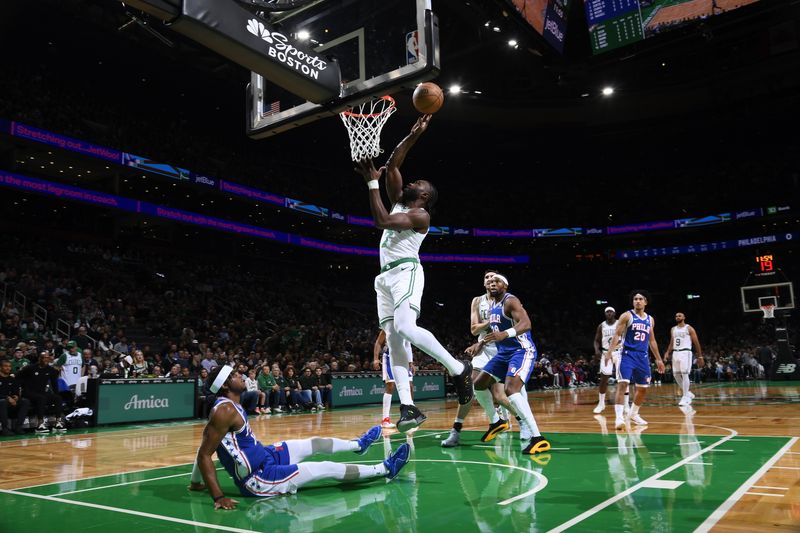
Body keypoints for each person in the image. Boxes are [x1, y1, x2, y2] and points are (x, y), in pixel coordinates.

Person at [354, 114, 473, 432]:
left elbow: (380, 221)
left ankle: (457, 367)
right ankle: (408, 407)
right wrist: (413, 133)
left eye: (416, 185)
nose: (409, 183)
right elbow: (392, 165)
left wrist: (371, 183)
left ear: (424, 196)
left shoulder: (420, 215)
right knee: (393, 340)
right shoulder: (399, 201)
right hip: (384, 278)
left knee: (406, 328)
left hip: (406, 271)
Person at [188, 365, 410, 508]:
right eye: (235, 375)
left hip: (265, 457)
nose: (241, 375)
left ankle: (358, 445)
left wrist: (195, 483)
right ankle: (385, 469)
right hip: (259, 478)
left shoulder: (231, 405)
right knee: (324, 468)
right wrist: (218, 497)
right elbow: (205, 453)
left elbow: (203, 447)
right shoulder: (223, 410)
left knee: (312, 443)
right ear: (226, 385)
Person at [472, 274, 550, 455]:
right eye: (490, 282)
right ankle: (496, 421)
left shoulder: (511, 300)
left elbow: (526, 324)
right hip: (503, 354)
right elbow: (493, 331)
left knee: (511, 390)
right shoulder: (492, 306)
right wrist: (480, 343)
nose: (492, 283)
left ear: (505, 286)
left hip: (521, 351)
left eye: (497, 281)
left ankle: (538, 438)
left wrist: (506, 334)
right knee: (479, 384)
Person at [442, 270, 514, 448]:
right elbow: (474, 330)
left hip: (503, 349)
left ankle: (524, 423)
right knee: (471, 385)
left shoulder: (508, 300)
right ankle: (457, 430)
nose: (490, 279)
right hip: (483, 347)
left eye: (493, 277)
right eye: (487, 277)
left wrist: (489, 330)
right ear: (484, 283)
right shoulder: (477, 301)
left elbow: (506, 329)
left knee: (502, 395)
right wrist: (491, 322)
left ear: (501, 283)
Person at [607, 290, 666, 430]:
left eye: (640, 299)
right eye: (635, 299)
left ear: (645, 302)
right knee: (623, 385)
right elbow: (617, 335)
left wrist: (659, 359)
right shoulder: (627, 316)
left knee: (643, 389)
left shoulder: (650, 319)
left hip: (643, 357)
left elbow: (652, 340)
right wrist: (609, 352)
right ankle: (619, 418)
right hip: (627, 355)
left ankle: (634, 414)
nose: (637, 301)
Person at [592, 307, 630, 415]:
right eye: (607, 312)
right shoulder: (601, 326)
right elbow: (596, 340)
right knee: (604, 378)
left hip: (619, 352)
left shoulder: (620, 323)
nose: (609, 313)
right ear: (605, 314)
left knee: (623, 380)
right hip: (605, 352)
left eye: (611, 311)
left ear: (614, 313)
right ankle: (601, 403)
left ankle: (626, 405)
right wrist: (596, 350)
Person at [373, 329, 413, 428]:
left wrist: (411, 361)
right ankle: (385, 419)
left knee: (409, 385)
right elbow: (378, 342)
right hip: (389, 356)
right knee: (390, 386)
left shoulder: (405, 327)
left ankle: (411, 415)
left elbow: (408, 345)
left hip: (403, 358)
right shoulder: (386, 327)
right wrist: (376, 359)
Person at [18, 351, 66, 433]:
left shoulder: (50, 369)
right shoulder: (30, 368)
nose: (47, 359)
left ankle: (58, 422)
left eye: (48, 358)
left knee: (58, 398)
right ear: (40, 358)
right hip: (29, 393)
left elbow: (54, 383)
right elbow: (18, 376)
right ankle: (40, 424)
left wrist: (56, 394)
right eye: (45, 358)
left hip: (41, 393)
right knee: (41, 398)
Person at [663, 312, 704, 407]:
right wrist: (667, 352)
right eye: (676, 316)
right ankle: (688, 392)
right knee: (676, 375)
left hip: (685, 352)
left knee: (685, 374)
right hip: (675, 353)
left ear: (684, 317)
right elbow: (671, 343)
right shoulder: (673, 329)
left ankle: (685, 397)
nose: (677, 317)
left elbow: (696, 342)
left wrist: (700, 356)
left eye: (679, 315)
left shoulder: (689, 328)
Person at [0, 359, 30, 435]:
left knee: (25, 401)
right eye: (5, 366)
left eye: (9, 366)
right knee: (2, 402)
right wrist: (7, 397)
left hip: (11, 402)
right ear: (0, 367)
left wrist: (16, 397)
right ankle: (5, 428)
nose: (8, 368)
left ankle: (18, 427)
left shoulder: (12, 379)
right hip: (2, 402)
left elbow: (16, 392)